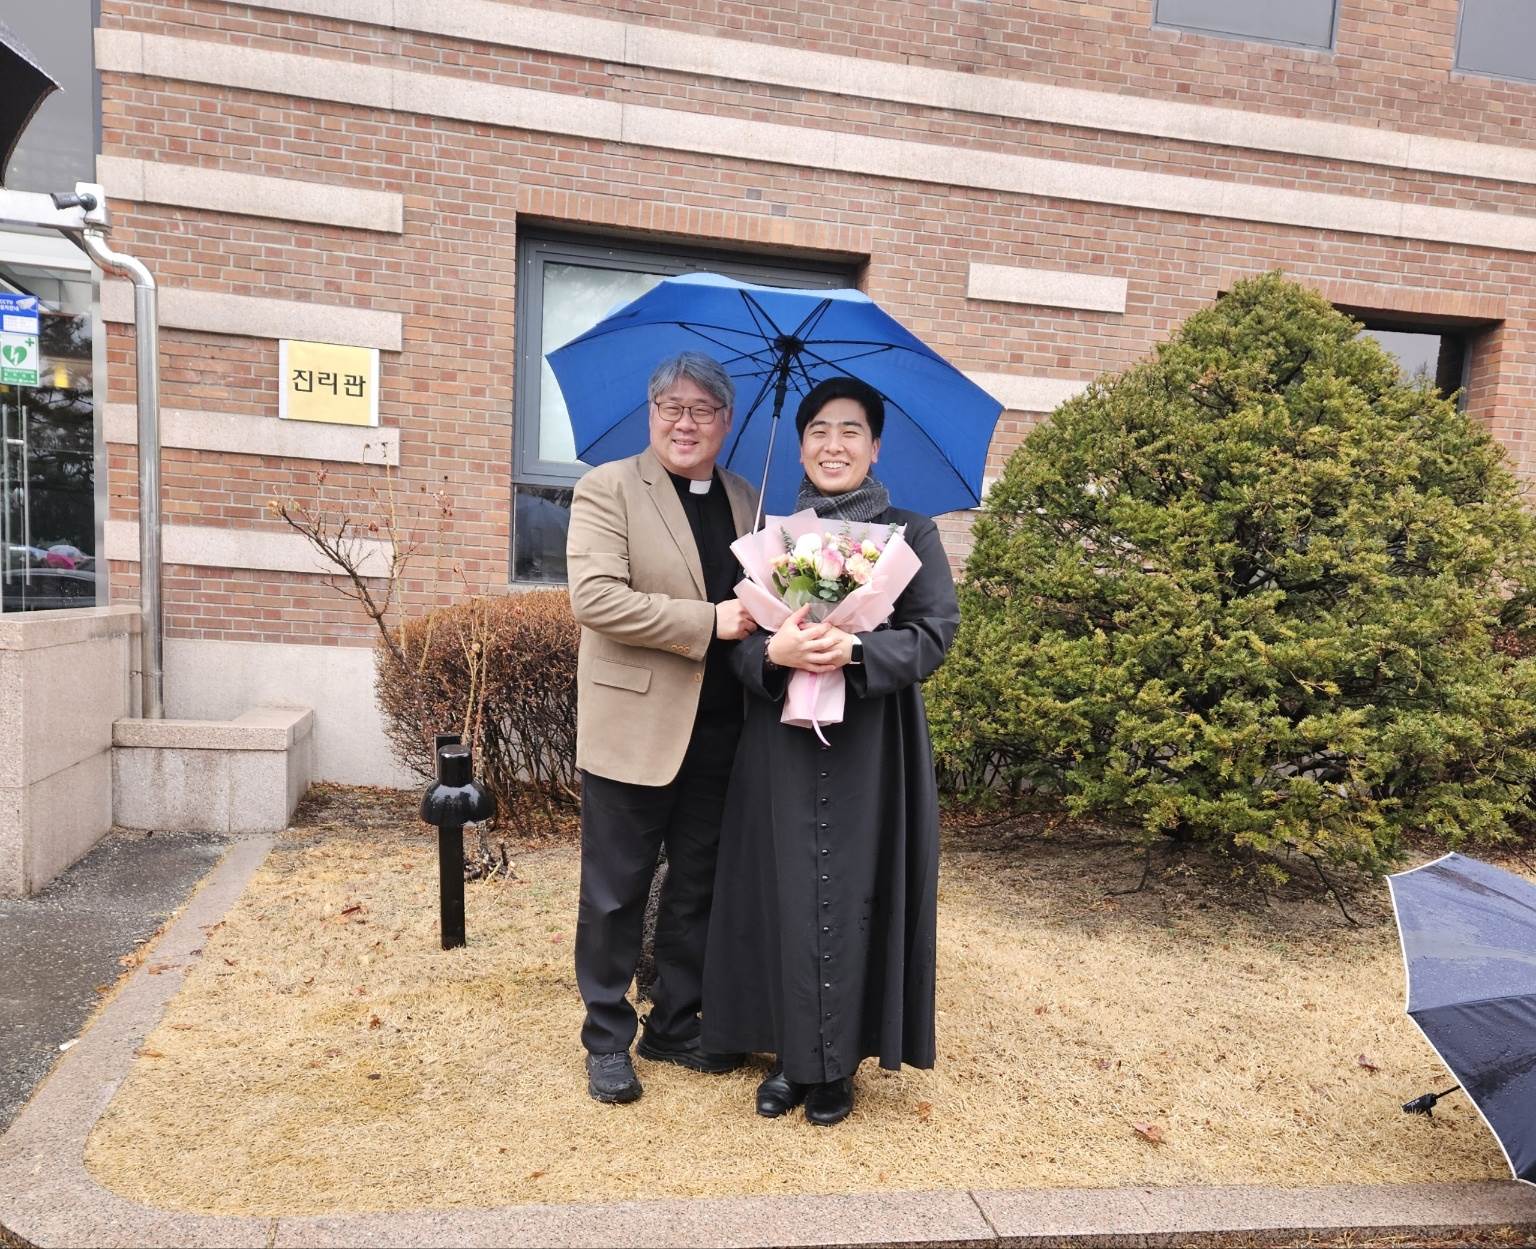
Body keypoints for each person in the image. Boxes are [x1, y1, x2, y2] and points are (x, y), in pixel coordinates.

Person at [702, 375, 960, 1126]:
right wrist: (775, 651)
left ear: (874, 447)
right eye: (818, 430)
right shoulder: (772, 538)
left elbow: (934, 632)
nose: (832, 444)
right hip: (780, 745)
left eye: (850, 430)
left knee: (855, 891)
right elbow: (737, 647)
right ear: (801, 446)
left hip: (873, 746)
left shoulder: (912, 533)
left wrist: (854, 649)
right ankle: (791, 1056)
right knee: (782, 888)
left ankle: (838, 1064)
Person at [566, 350, 758, 1105]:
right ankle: (606, 1038)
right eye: (672, 407)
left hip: (723, 731)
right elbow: (596, 599)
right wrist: (710, 620)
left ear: (725, 421)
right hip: (633, 727)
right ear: (651, 414)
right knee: (615, 894)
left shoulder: (746, 497)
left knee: (697, 889)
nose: (686, 423)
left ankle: (676, 1022)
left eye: (702, 410)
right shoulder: (608, 488)